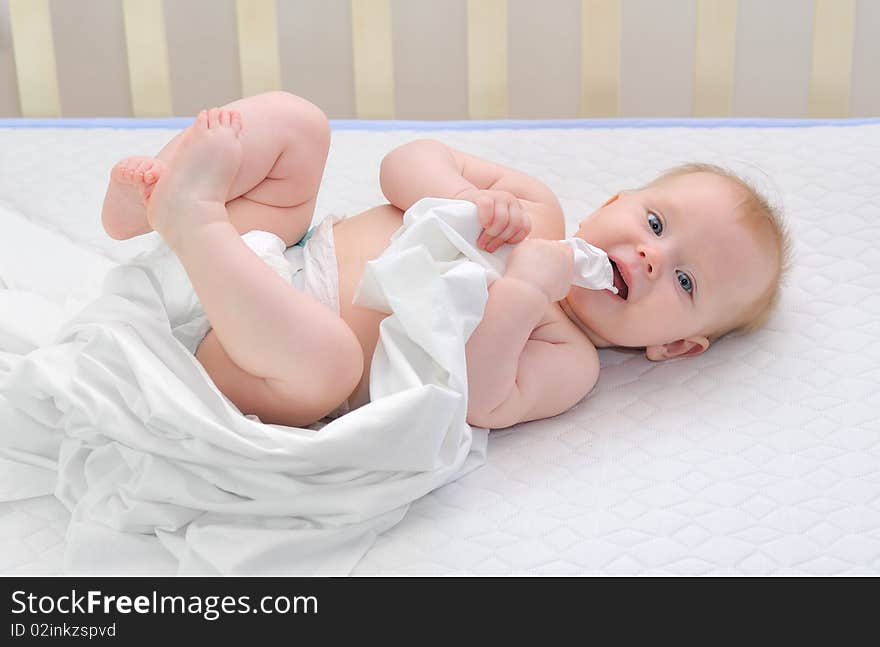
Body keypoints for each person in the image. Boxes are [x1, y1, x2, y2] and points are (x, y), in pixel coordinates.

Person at [101, 91, 791, 430]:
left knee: (334, 364)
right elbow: (401, 164)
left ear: (675, 346)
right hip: (272, 254)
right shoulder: (534, 208)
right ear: (613, 199)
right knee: (300, 123)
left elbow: (482, 400)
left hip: (259, 355)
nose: (648, 256)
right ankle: (148, 205)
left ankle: (191, 218)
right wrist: (462, 195)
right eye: (655, 222)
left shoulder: (570, 360)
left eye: (685, 279)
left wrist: (523, 291)